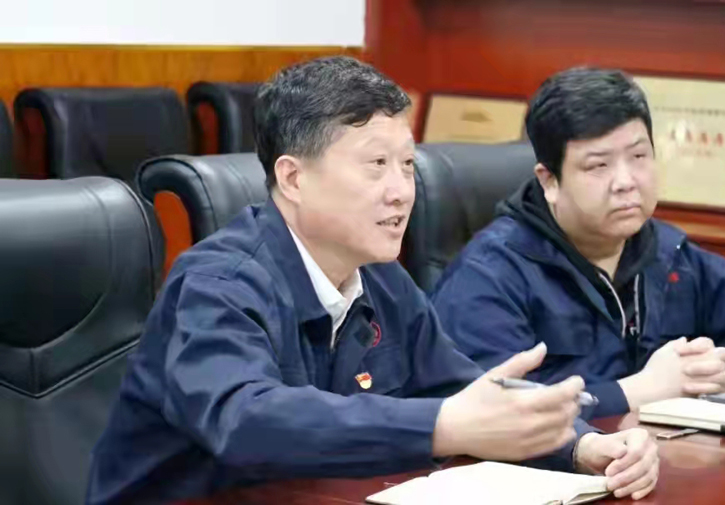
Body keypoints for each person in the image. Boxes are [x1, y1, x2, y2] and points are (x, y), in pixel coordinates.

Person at [84, 57, 659, 504]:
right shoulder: (217, 284)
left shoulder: (381, 279)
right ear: (294, 178)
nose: (402, 191)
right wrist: (444, 425)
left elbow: (463, 391)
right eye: (376, 166)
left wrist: (581, 444)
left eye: (407, 165)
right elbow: (247, 420)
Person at [430, 66, 725, 420]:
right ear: (549, 181)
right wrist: (641, 391)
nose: (626, 181)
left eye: (638, 156)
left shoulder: (671, 255)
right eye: (599, 165)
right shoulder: (489, 276)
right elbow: (495, 412)